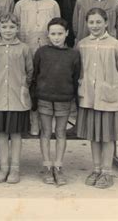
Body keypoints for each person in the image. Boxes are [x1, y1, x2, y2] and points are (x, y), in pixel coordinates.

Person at [76, 8, 118, 189]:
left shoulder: (116, 45)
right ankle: (96, 169)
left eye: (99, 22)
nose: (95, 26)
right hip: (90, 98)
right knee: (94, 136)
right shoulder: (82, 45)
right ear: (87, 24)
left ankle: (107, 172)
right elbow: (79, 70)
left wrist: (111, 87)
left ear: (106, 23)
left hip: (109, 99)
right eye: (91, 22)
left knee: (107, 136)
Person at [31, 17, 81, 186]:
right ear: (48, 34)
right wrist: (34, 98)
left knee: (60, 132)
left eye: (60, 33)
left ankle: (58, 166)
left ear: (66, 33)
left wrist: (73, 97)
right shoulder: (41, 52)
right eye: (53, 33)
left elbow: (75, 78)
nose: (56, 37)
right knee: (45, 132)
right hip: (44, 98)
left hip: (64, 99)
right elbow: (35, 76)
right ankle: (47, 167)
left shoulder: (73, 54)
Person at [0, 14, 33, 184]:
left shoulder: (24, 48)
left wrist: (22, 86)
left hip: (17, 99)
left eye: (12, 27)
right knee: (2, 134)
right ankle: (3, 168)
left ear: (17, 28)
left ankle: (15, 169)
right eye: (4, 27)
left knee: (16, 134)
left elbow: (29, 72)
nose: (8, 30)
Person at [13, 0, 60, 136]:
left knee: (46, 83)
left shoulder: (53, 4)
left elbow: (57, 27)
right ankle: (32, 121)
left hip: (47, 50)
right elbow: (16, 27)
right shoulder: (20, 5)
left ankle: (47, 122)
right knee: (29, 83)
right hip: (27, 48)